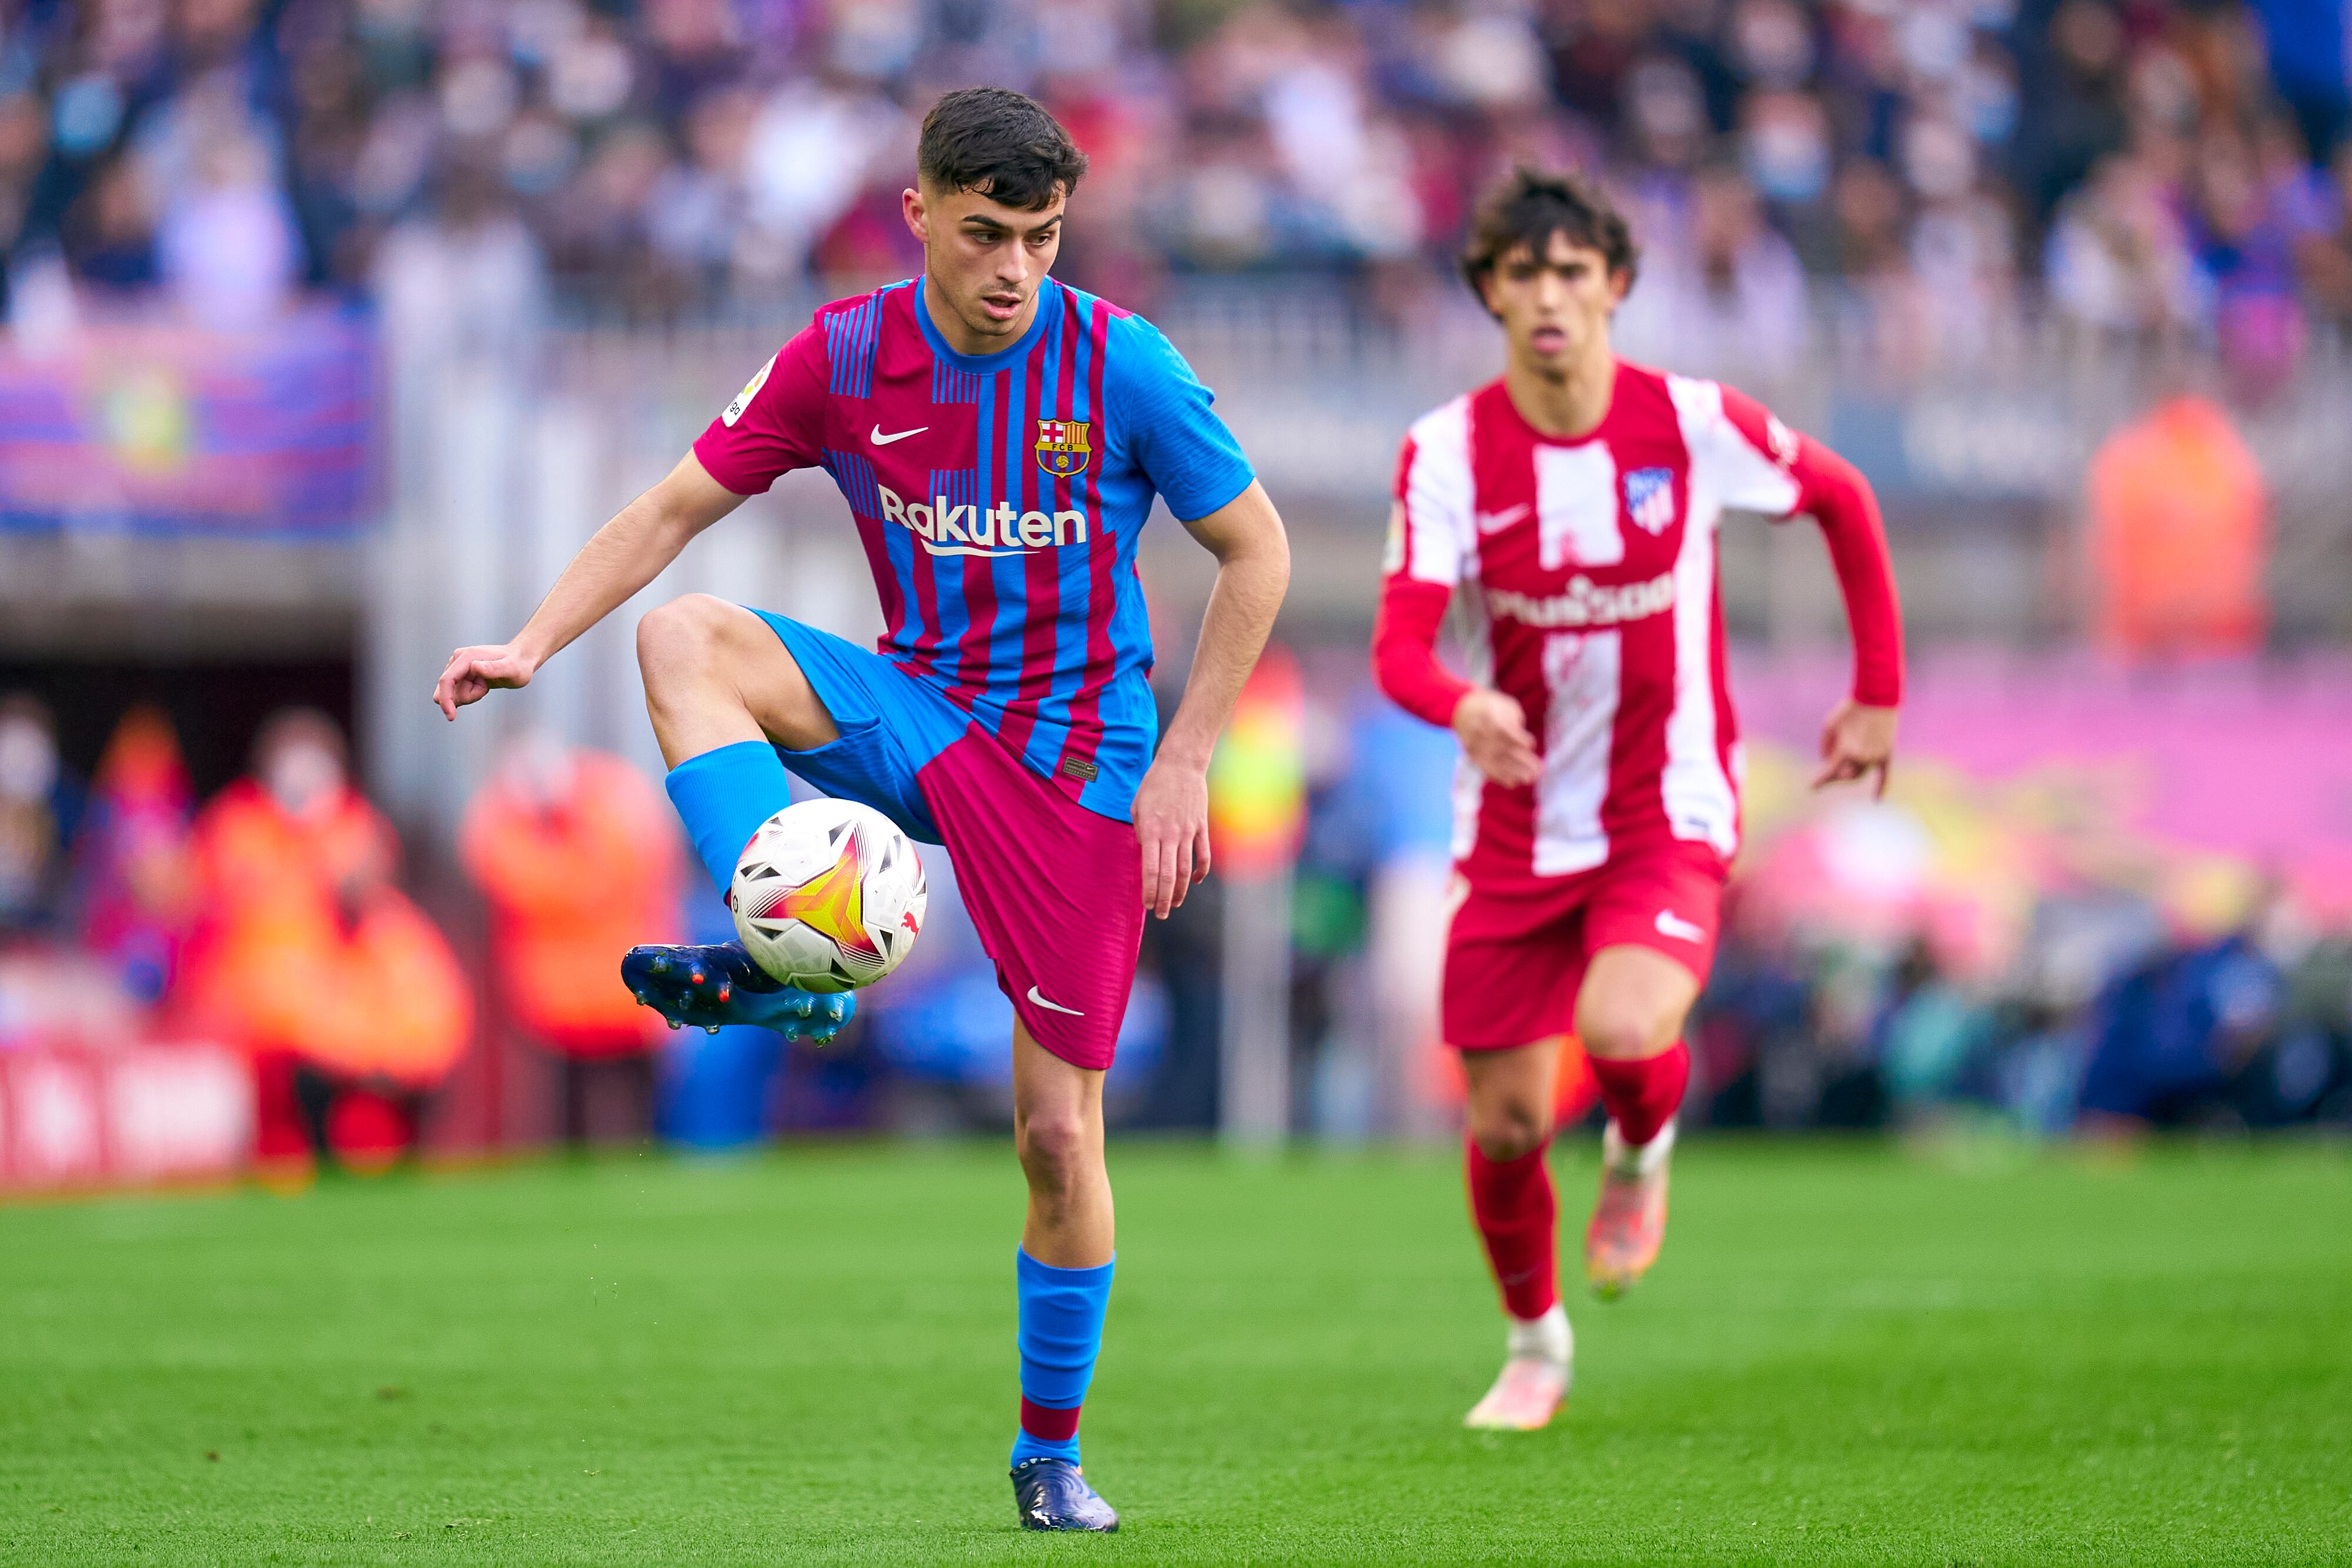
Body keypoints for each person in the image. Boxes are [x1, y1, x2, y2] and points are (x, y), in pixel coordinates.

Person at [430, 88, 1289, 1530]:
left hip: (1077, 766)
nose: (1016, 266)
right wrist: (528, 641)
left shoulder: (1122, 367)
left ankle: (1048, 1451)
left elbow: (1254, 553)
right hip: (916, 713)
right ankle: (790, 957)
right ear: (919, 217)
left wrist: (1189, 760)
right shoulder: (842, 357)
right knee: (683, 635)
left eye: (1042, 235)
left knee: (1057, 1142)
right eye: (985, 233)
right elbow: (665, 513)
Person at [1371, 168, 1903, 1432]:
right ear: (1488, 291)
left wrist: (1874, 688)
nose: (1547, 293)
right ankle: (1533, 1343)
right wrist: (1462, 703)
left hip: (1663, 808)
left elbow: (1841, 495)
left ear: (1613, 285)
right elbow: (1398, 646)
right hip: (1508, 827)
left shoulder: (1689, 422)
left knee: (1619, 1030)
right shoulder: (1443, 451)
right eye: (1521, 270)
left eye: (1571, 269)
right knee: (1499, 1127)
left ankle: (1638, 1153)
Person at [184, 710, 472, 1175]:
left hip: (327, 1026)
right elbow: (207, 901)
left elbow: (361, 895)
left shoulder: (356, 831)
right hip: (253, 1017)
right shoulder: (236, 826)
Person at [460, 731, 680, 1147]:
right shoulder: (502, 821)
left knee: (636, 1110)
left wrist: (571, 818)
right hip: (556, 1001)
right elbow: (524, 881)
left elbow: (634, 856)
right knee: (566, 1118)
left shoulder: (612, 793)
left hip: (629, 988)